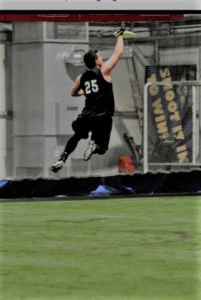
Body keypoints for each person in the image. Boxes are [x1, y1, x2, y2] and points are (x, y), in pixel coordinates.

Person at [51, 28, 124, 173]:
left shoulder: (81, 77)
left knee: (77, 136)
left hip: (86, 117)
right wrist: (120, 36)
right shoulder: (104, 71)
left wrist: (86, 91)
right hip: (102, 117)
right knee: (102, 148)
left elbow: (73, 93)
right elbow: (118, 52)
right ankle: (94, 146)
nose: (102, 58)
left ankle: (62, 158)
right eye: (100, 57)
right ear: (96, 61)